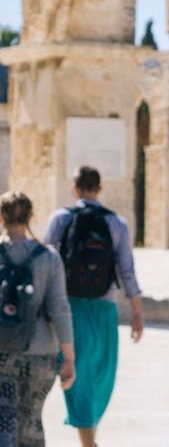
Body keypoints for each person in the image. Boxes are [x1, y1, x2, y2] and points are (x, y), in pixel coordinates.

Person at [44, 167, 144, 447]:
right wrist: (137, 312)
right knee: (101, 375)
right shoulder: (117, 224)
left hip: (68, 307)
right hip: (104, 308)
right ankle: (89, 441)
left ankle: (88, 438)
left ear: (74, 188)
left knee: (80, 374)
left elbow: (46, 266)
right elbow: (127, 272)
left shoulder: (61, 218)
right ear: (100, 189)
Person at [0, 191, 75, 447]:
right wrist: (70, 359)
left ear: (2, 217)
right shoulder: (48, 257)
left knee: (4, 421)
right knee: (31, 421)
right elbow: (59, 309)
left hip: (2, 352)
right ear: (32, 216)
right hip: (42, 353)